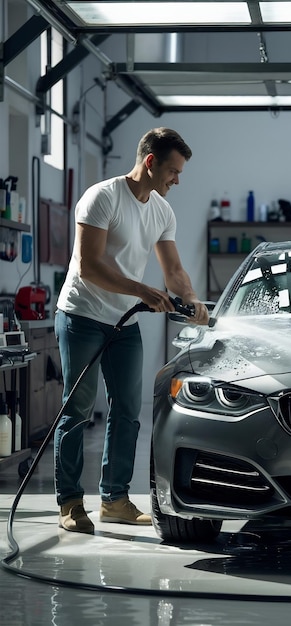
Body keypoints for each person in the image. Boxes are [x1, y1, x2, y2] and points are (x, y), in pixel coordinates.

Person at [54, 127, 209, 534]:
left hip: (124, 324)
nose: (177, 180)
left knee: (127, 412)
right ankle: (70, 502)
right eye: (174, 171)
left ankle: (115, 500)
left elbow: (173, 270)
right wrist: (142, 290)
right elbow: (90, 265)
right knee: (78, 410)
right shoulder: (102, 197)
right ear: (151, 162)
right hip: (82, 315)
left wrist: (190, 299)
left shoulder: (161, 210)